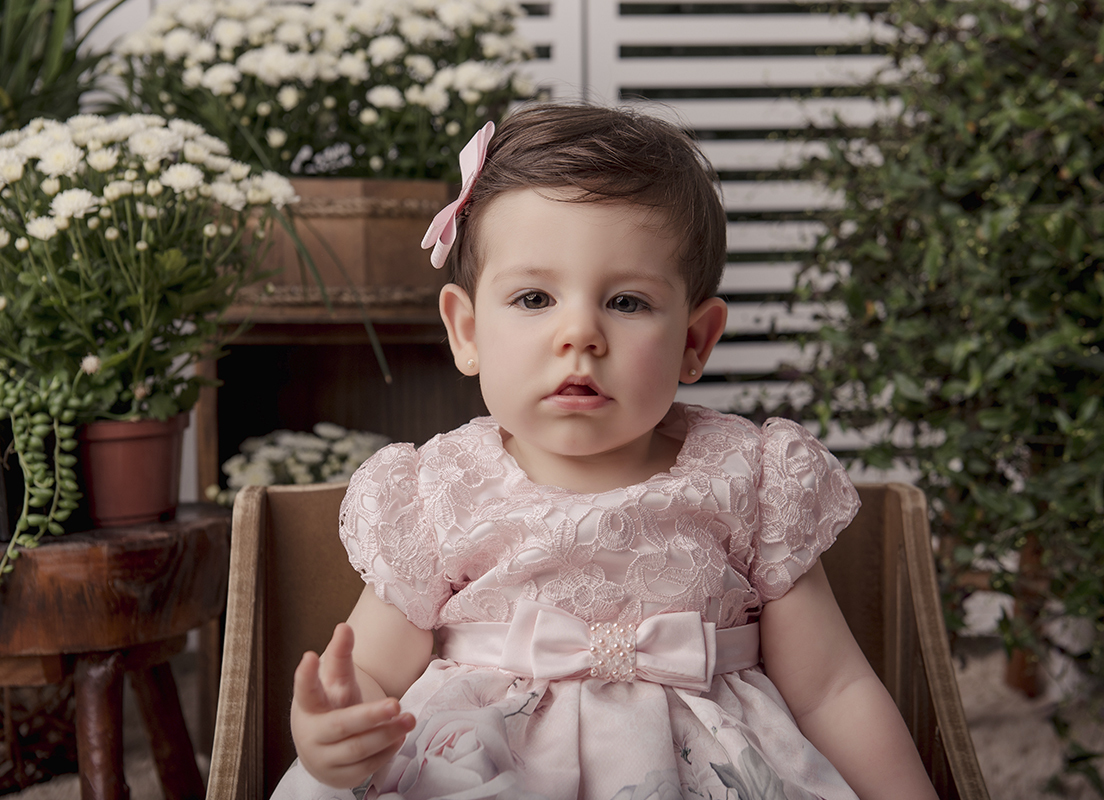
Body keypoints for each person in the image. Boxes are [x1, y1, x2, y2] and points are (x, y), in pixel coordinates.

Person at [273, 103, 938, 800]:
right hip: (485, 770)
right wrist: (332, 732)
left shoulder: (751, 478)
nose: (580, 335)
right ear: (466, 331)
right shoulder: (438, 489)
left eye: (625, 302)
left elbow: (831, 689)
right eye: (534, 297)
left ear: (694, 340)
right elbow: (375, 673)